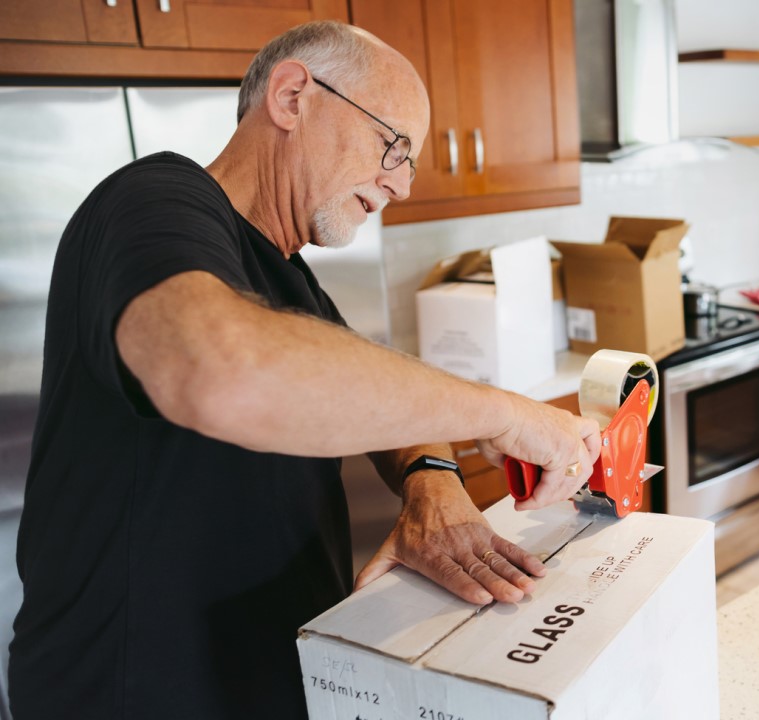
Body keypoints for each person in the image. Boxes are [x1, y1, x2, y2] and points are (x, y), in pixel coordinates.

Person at [8, 21, 600, 720]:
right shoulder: (152, 197)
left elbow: (379, 396)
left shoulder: (292, 283)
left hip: (262, 679)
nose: (402, 185)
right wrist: (506, 413)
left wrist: (430, 483)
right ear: (292, 97)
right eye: (395, 146)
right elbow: (226, 370)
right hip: (132, 691)